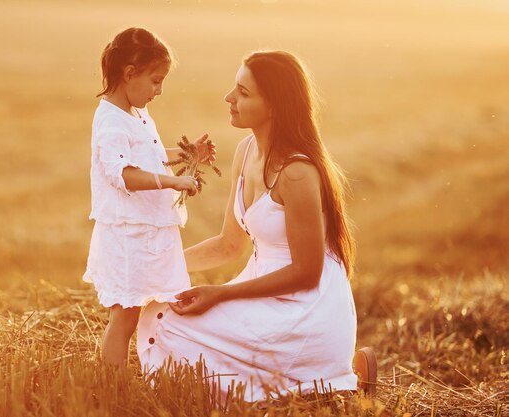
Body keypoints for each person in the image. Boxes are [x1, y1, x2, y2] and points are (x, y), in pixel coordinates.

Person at [137, 50, 358, 400]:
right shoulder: (246, 149)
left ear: (274, 105)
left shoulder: (297, 173)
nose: (229, 98)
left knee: (169, 324)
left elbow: (307, 273)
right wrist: (155, 266)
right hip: (263, 292)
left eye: (243, 92)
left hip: (305, 310)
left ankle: (322, 375)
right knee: (159, 310)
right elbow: (229, 245)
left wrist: (220, 294)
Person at [83, 27, 216, 366]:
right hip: (128, 234)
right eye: (156, 80)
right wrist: (172, 182)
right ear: (130, 74)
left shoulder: (135, 113)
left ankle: (158, 366)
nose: (160, 90)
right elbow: (123, 174)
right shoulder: (111, 121)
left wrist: (188, 154)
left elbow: (146, 157)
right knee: (124, 315)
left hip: (144, 229)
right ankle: (113, 385)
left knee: (151, 307)